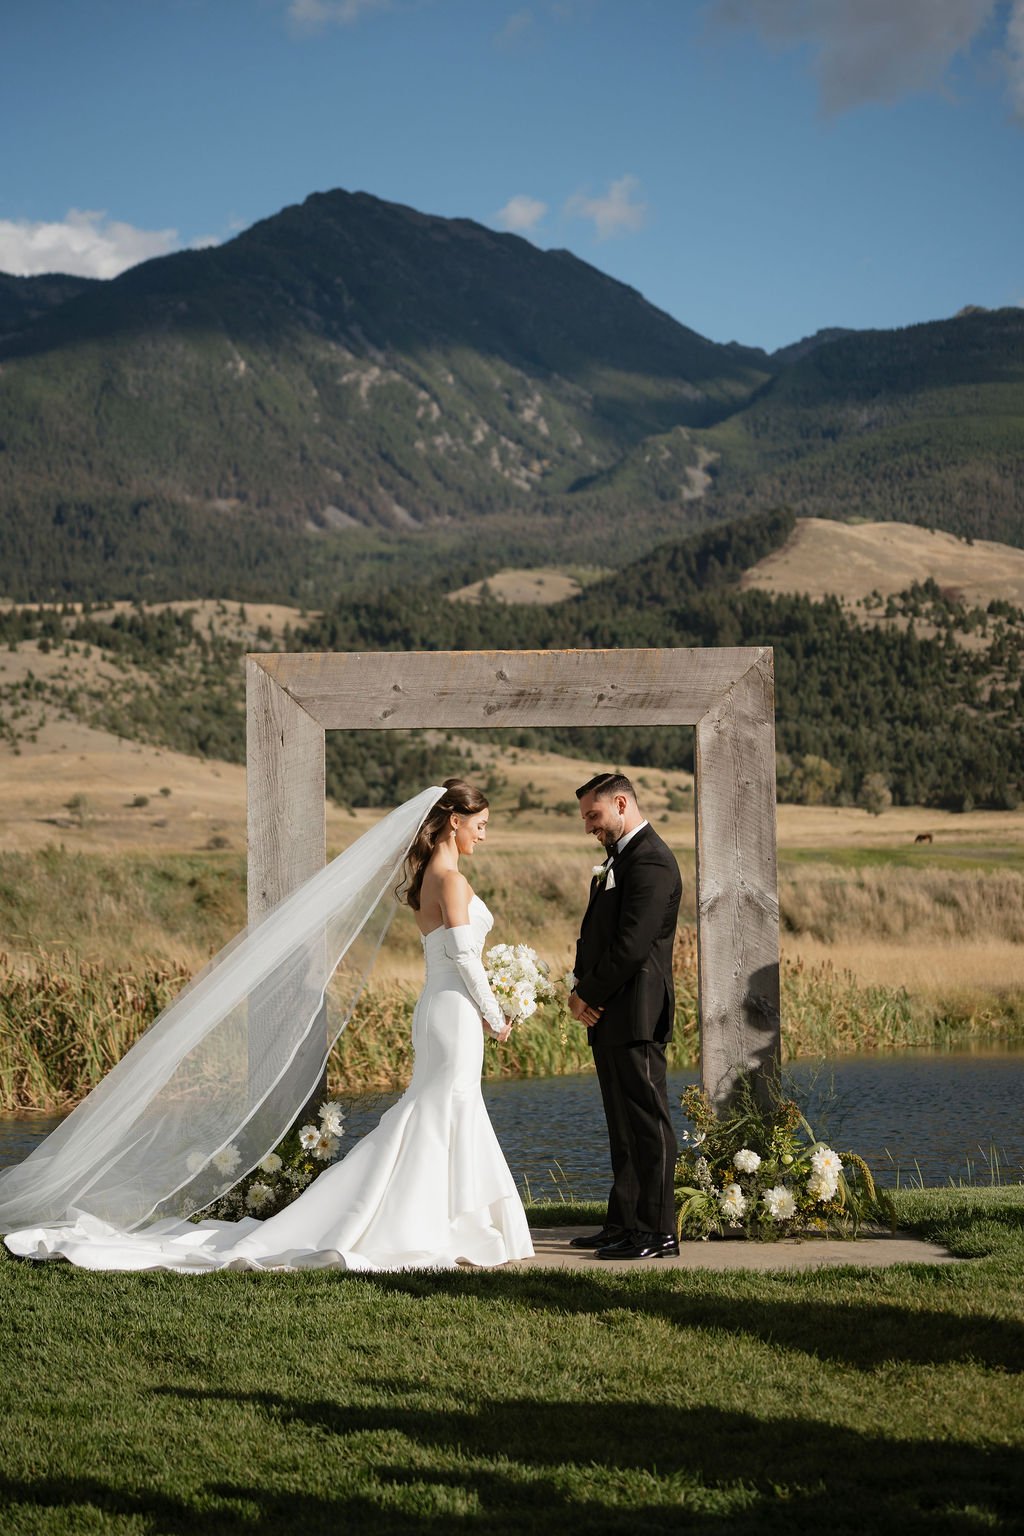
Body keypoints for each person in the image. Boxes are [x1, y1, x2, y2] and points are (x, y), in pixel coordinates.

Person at [2, 780, 534, 1272]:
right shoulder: (453, 881)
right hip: (456, 1011)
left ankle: (440, 1221)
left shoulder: (425, 881)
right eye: (480, 824)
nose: (483, 834)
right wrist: (497, 1015)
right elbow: (465, 959)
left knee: (440, 1108)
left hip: (438, 1008)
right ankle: (416, 1222)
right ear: (452, 822)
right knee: (440, 1107)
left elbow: (456, 957)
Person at [568, 772, 682, 1260]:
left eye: (594, 816)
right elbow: (597, 935)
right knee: (621, 1125)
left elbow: (633, 947)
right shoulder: (619, 859)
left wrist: (585, 994)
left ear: (621, 803)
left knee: (648, 1125)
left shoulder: (652, 860)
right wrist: (579, 987)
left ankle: (659, 1232)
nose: (590, 827)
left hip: (636, 1013)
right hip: (610, 1014)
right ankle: (624, 1224)